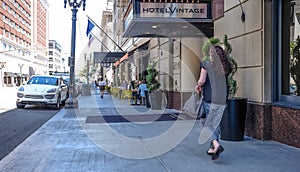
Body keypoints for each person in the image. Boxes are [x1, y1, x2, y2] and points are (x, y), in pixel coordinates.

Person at [195, 45, 232, 160]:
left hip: (210, 99)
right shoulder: (226, 67)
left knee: (207, 124)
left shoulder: (206, 65)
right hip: (222, 100)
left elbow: (202, 80)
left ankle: (215, 144)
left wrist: (198, 85)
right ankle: (213, 149)